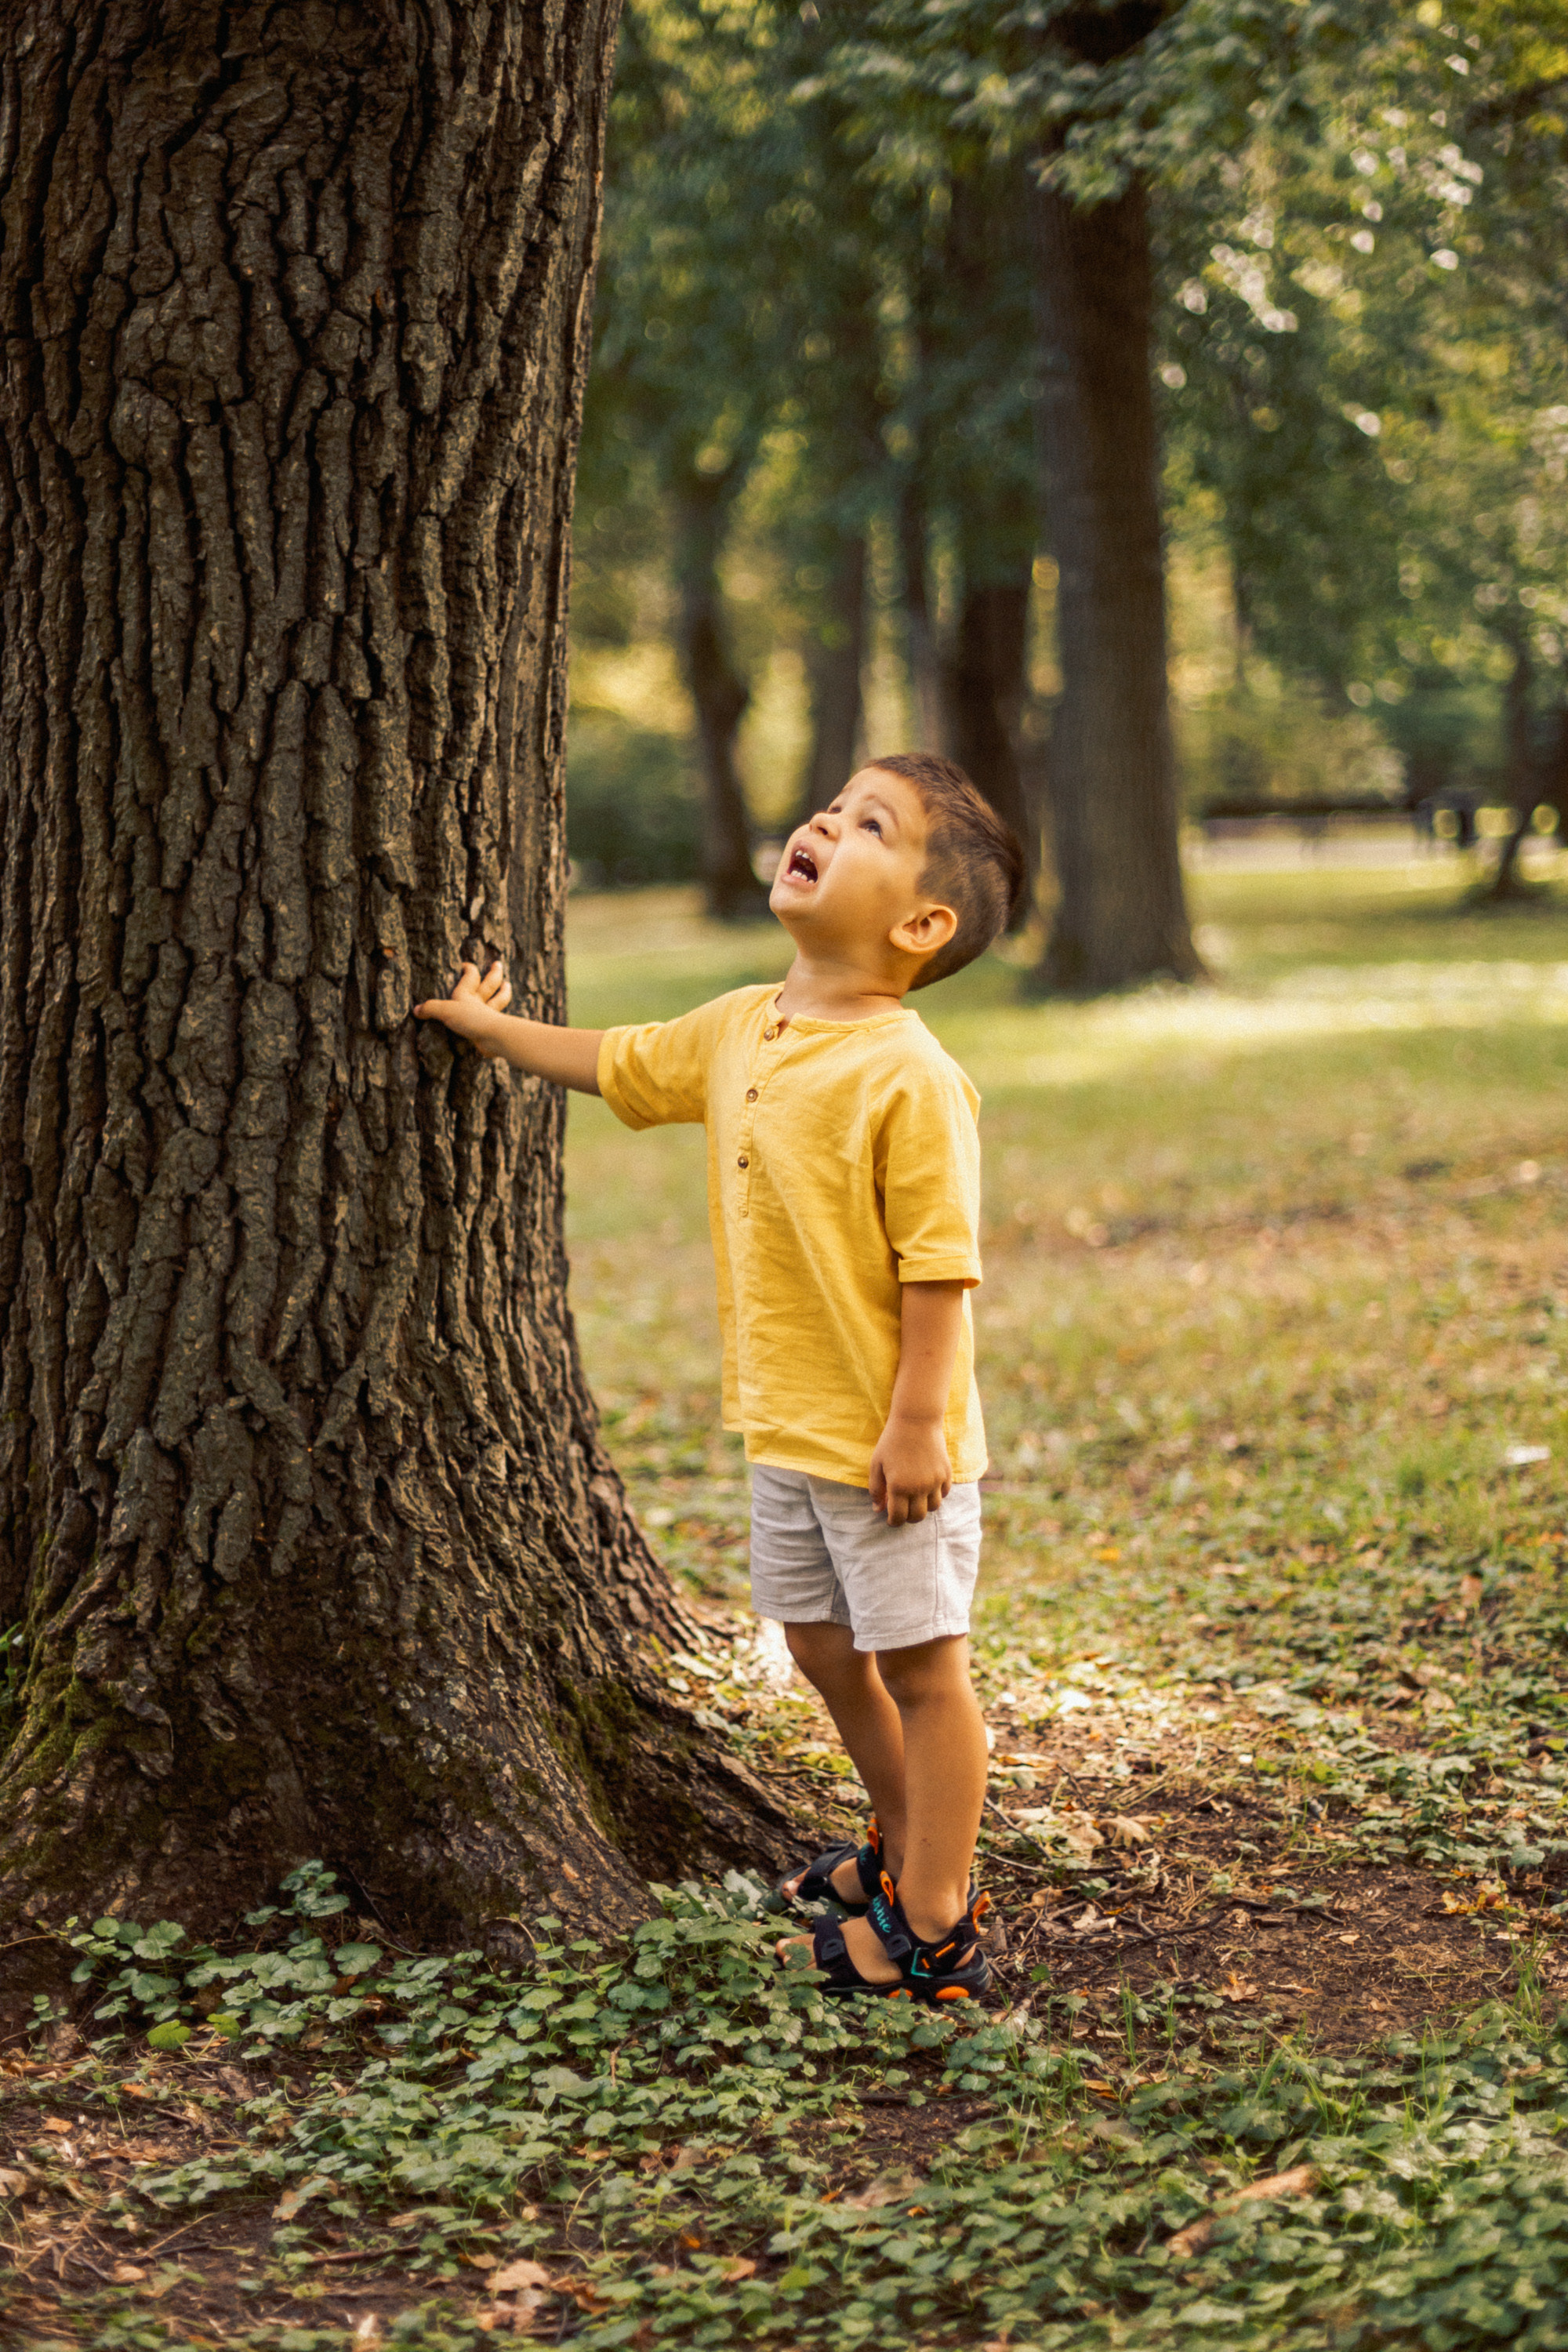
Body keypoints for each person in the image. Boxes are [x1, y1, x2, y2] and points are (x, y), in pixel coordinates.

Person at [416, 753, 1024, 2002]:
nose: (825, 823)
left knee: (924, 1672)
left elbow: (941, 1268)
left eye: (869, 825)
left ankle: (936, 1923)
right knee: (818, 1645)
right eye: (833, 806)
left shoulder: (910, 1075)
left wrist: (918, 1424)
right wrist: (489, 1033)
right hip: (787, 1428)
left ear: (920, 925)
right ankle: (904, 1842)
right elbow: (621, 1060)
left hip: (888, 1446)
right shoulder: (745, 1023)